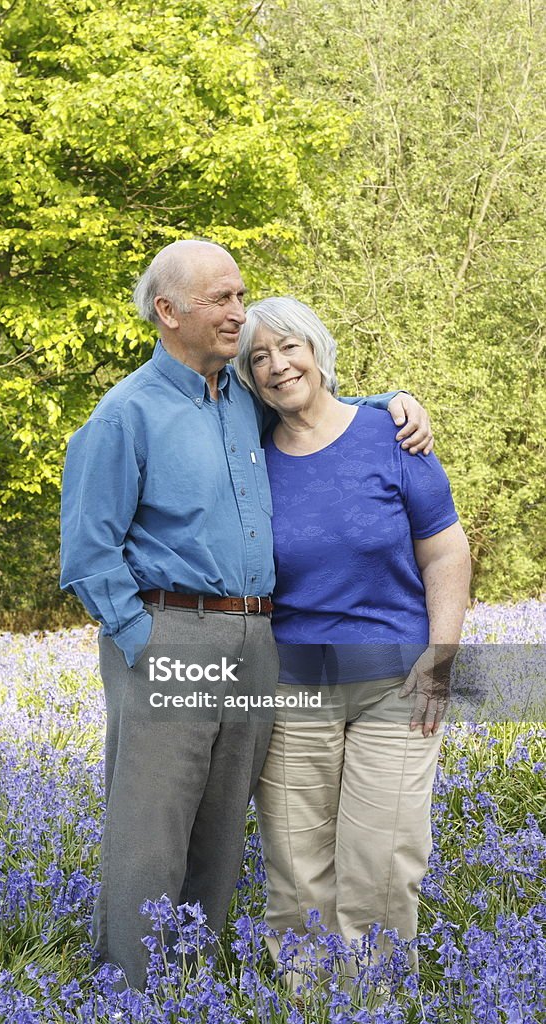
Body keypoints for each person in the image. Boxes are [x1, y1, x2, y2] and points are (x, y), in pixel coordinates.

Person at [59, 241, 433, 990]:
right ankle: (135, 985)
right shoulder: (125, 413)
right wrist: (144, 640)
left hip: (257, 636)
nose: (239, 313)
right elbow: (88, 553)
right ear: (167, 313)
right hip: (171, 630)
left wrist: (388, 404)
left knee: (224, 817)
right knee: (153, 820)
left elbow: (311, 398)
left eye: (239, 295)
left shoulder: (236, 392)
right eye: (221, 300)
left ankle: (192, 971)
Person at [234, 297, 471, 986]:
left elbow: (446, 555)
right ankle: (308, 999)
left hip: (396, 681)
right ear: (249, 378)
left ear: (316, 350)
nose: (278, 366)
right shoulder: (249, 460)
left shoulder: (390, 437)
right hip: (292, 687)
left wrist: (442, 657)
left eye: (289, 348)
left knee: (383, 858)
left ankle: (373, 1000)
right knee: (297, 866)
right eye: (258, 358)